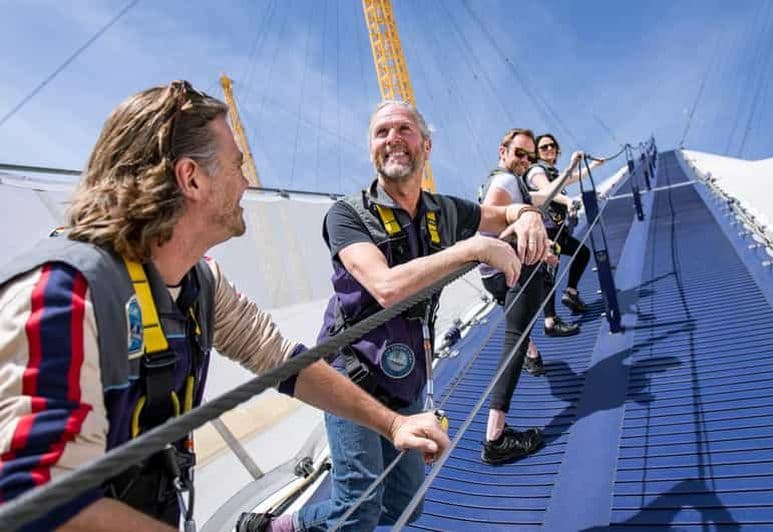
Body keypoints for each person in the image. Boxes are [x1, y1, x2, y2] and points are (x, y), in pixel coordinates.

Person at [0, 82, 450, 532]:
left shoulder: (200, 284)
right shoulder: (63, 296)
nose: (246, 181)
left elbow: (284, 361)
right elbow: (36, 503)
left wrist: (393, 424)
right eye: (236, 164)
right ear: (192, 178)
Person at [275, 101, 548, 531]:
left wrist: (528, 214)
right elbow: (385, 287)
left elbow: (501, 215)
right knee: (357, 507)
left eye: (404, 129)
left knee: (408, 504)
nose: (393, 139)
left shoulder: (443, 211)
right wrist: (472, 248)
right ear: (371, 149)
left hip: (407, 375)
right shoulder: (348, 214)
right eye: (381, 132)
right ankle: (280, 527)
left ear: (426, 145)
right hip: (350, 371)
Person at [478, 128, 560, 465]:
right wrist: (535, 245)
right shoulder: (506, 181)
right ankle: (495, 438)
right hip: (511, 269)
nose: (525, 161)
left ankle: (533, 355)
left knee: (519, 334)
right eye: (519, 153)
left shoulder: (502, 180)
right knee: (515, 337)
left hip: (492, 275)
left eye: (530, 156)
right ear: (503, 151)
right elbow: (488, 229)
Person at [526, 133, 604, 322]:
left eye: (552, 145)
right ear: (536, 153)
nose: (549, 149)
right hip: (545, 230)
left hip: (556, 229)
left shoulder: (551, 172)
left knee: (581, 253)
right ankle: (550, 321)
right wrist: (568, 200)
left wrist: (594, 165)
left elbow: (572, 178)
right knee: (549, 272)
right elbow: (548, 191)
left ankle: (571, 292)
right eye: (544, 147)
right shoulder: (536, 171)